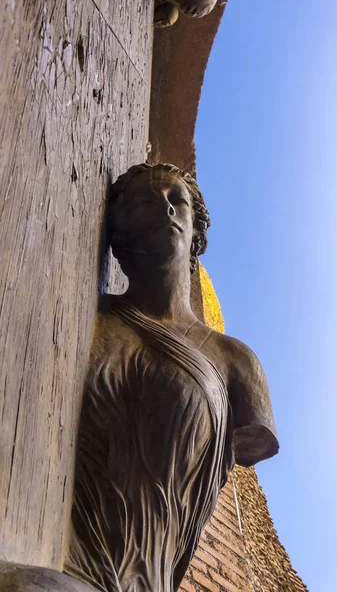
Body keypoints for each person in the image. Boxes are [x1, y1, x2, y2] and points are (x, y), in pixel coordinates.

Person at [63, 163, 279, 592]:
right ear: (119, 235)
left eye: (176, 200)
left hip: (147, 572)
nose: (164, 209)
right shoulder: (85, 318)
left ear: (196, 230)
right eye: (145, 202)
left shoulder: (235, 361)